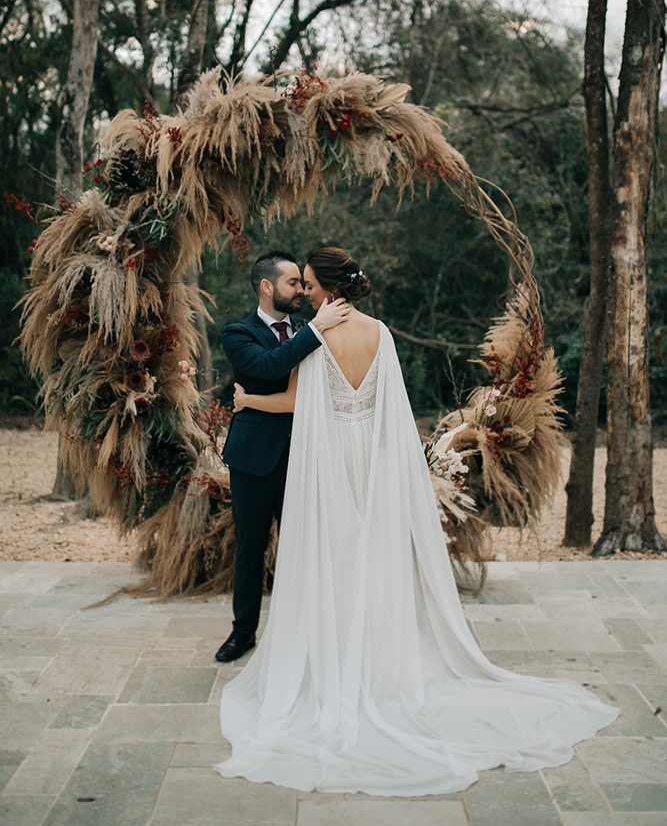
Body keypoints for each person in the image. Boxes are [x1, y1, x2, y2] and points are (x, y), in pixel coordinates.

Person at [215, 247, 618, 795]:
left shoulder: (315, 337)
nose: (302, 291)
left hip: (330, 459)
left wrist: (247, 401)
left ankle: (336, 657)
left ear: (325, 288)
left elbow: (298, 402)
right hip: (373, 461)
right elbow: (390, 408)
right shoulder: (381, 333)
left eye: (307, 283)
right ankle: (382, 658)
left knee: (331, 555)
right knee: (370, 555)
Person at [215, 250, 350, 663]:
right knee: (250, 550)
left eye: (303, 283)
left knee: (304, 549)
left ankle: (302, 633)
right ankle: (243, 633)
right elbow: (270, 367)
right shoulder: (237, 333)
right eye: (294, 283)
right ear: (267, 286)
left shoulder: (310, 326)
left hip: (305, 457)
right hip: (253, 461)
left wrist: (316, 329)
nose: (301, 290)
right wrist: (316, 332)